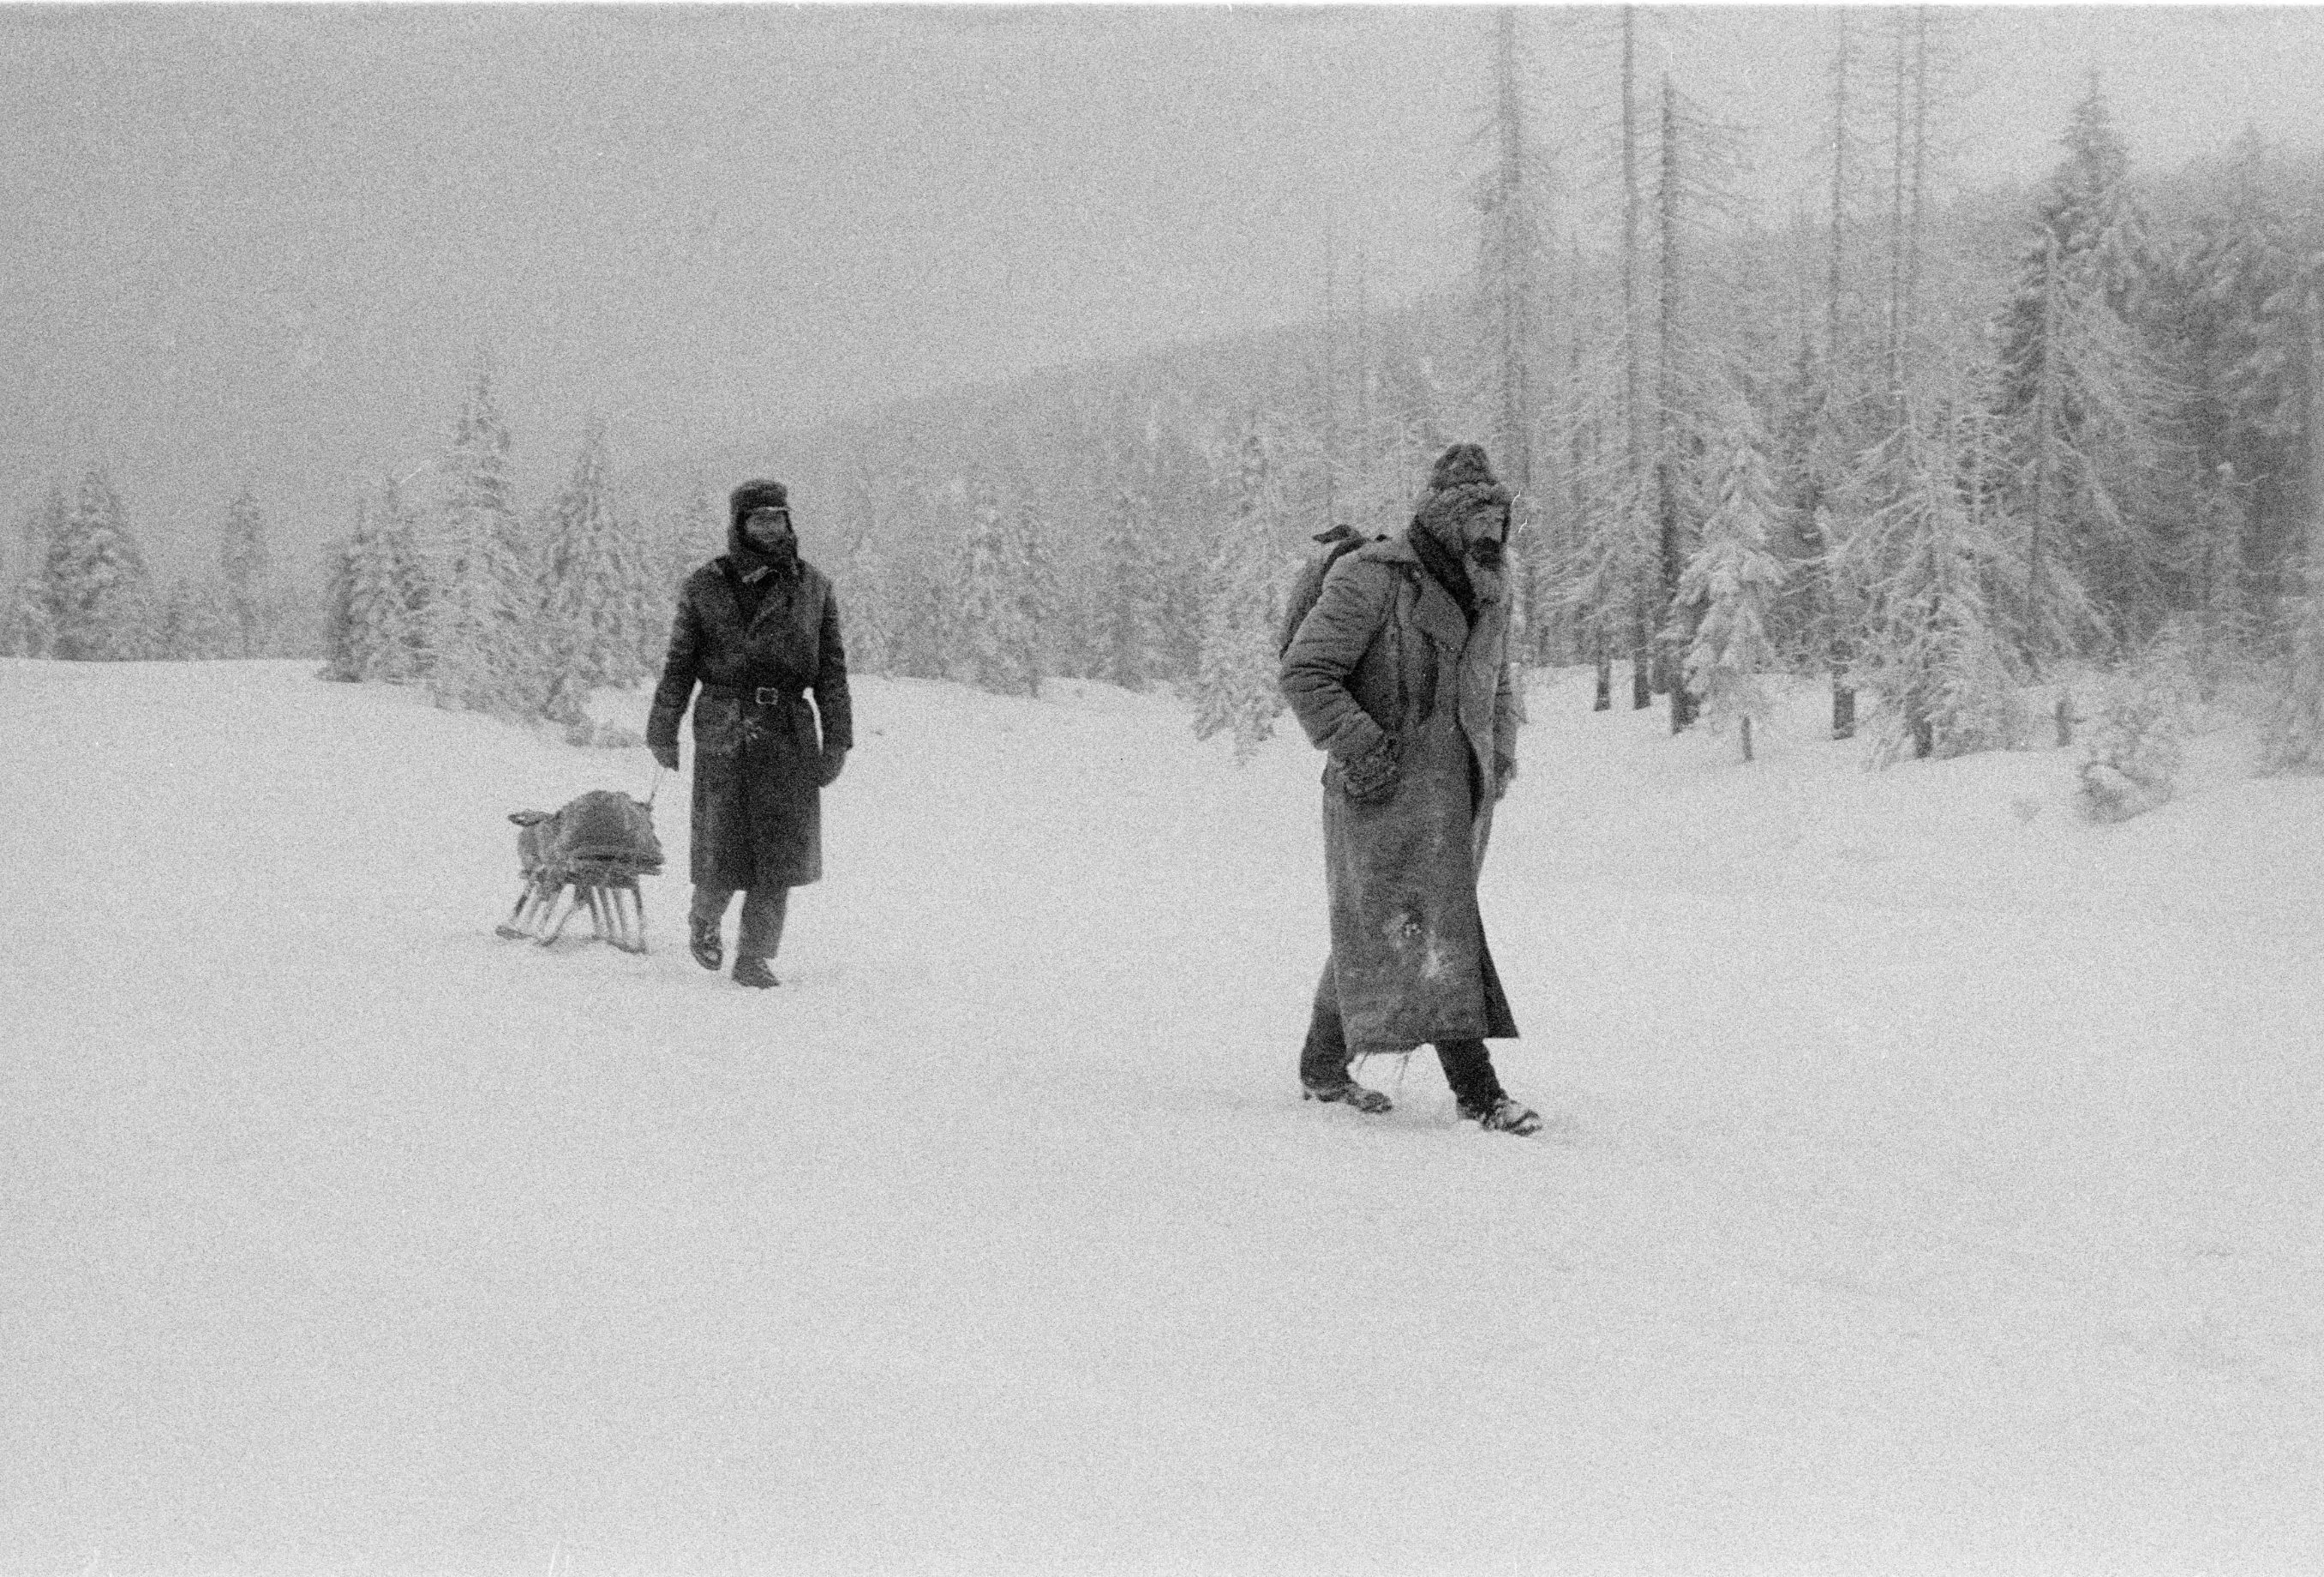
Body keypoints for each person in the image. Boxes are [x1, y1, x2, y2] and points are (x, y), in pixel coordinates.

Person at [1279, 443, 1542, 1135]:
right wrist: (1366, 750)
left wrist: (1501, 753)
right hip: (1382, 790)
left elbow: (1497, 676)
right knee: (1430, 929)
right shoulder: (1375, 577)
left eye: (1499, 516)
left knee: (1383, 926)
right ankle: (1478, 1090)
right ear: (1445, 519)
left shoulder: (1492, 586)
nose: (1491, 532)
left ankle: (1321, 1066)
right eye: (1476, 516)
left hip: (1457, 794)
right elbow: (1307, 672)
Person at [646, 480, 852, 988]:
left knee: (779, 856)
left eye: (777, 518)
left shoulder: (813, 587)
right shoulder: (706, 585)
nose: (769, 527)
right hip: (725, 726)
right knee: (724, 846)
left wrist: (839, 738)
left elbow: (831, 670)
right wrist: (663, 727)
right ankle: (704, 920)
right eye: (758, 519)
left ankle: (755, 956)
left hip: (787, 730)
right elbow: (679, 664)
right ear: (740, 524)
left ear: (788, 522)